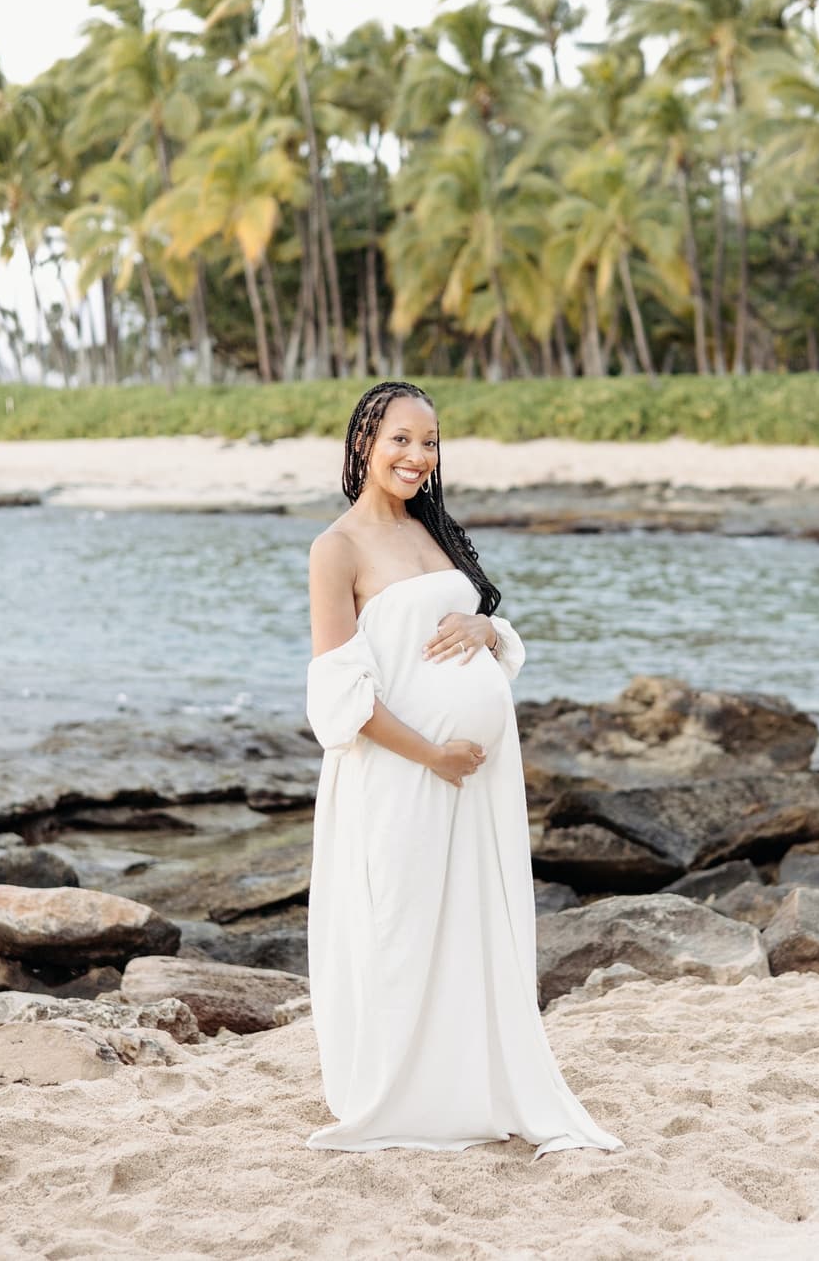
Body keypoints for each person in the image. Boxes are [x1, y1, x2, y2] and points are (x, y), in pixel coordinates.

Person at [302, 380, 621, 1158]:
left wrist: (484, 628)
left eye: (430, 443)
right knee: (404, 928)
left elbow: (476, 628)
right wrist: (433, 753)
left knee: (474, 922)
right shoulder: (335, 548)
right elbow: (339, 696)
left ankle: (474, 1084)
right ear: (362, 445)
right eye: (400, 440)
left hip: (473, 778)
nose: (417, 456)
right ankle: (404, 1095)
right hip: (401, 772)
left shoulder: (434, 530)